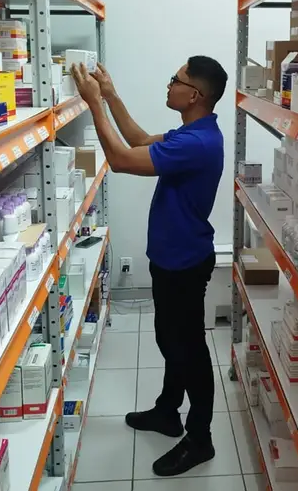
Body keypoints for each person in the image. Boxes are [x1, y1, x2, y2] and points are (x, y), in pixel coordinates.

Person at [70, 57, 228, 477]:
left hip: (184, 263)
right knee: (169, 339)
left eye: (176, 80)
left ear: (194, 95)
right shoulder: (193, 133)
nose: (169, 84)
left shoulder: (197, 143)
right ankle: (167, 411)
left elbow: (122, 159)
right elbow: (138, 139)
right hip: (171, 257)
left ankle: (200, 439)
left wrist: (93, 104)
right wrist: (110, 95)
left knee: (189, 350)